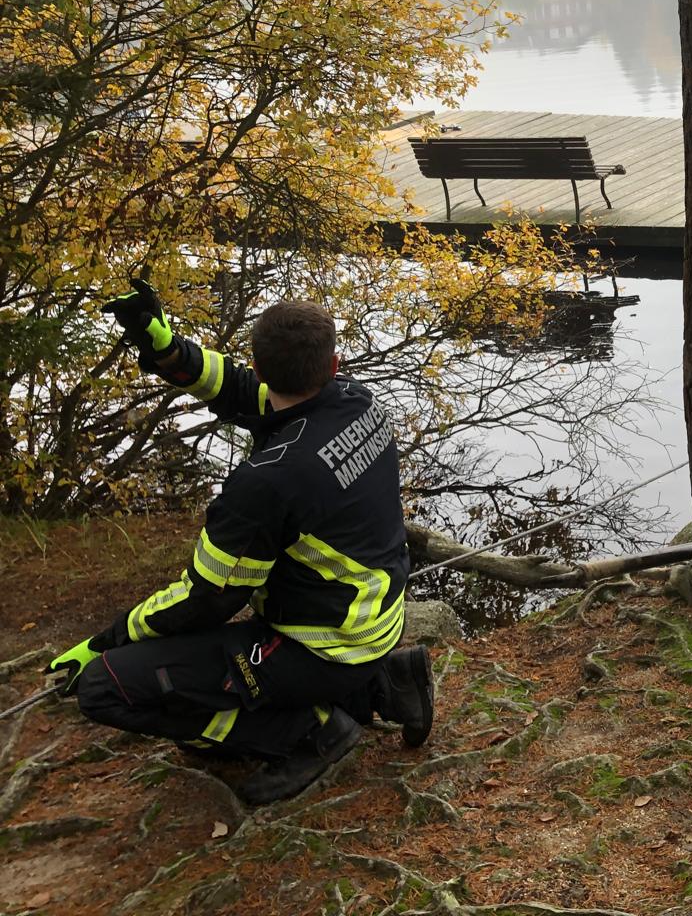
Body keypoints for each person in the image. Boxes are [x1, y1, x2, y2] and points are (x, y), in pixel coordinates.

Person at [46, 282, 435, 805]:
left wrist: (108, 642)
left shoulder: (268, 481)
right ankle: (385, 683)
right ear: (334, 364)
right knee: (192, 662)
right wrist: (169, 351)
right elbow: (236, 389)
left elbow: (207, 598)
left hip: (324, 645)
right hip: (376, 621)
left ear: (262, 365)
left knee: (104, 687)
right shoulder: (356, 401)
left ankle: (311, 731)